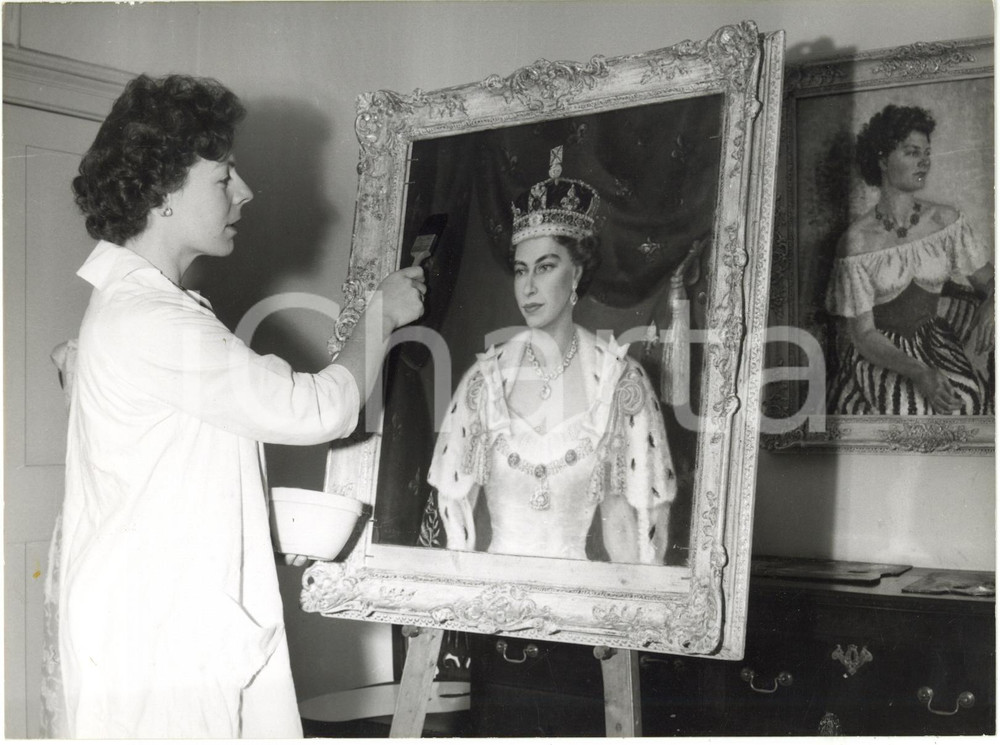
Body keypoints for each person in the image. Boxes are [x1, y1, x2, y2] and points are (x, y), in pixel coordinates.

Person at [41, 74, 425, 738]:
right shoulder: (152, 317)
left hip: (151, 623)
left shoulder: (138, 306)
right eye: (223, 177)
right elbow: (317, 410)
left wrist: (261, 533)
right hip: (159, 643)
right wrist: (380, 316)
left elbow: (175, 471)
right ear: (163, 193)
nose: (243, 191)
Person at [426, 151, 676, 564]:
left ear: (576, 273)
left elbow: (626, 533)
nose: (528, 287)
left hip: (578, 606)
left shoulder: (619, 381)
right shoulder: (484, 380)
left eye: (544, 267)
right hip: (489, 607)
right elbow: (456, 529)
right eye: (521, 270)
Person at [825, 104, 994, 415]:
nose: (925, 162)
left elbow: (989, 280)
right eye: (912, 152)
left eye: (926, 153)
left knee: (964, 401)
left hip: (936, 344)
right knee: (911, 408)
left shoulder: (945, 222)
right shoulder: (858, 241)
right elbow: (863, 335)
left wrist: (993, 301)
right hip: (880, 353)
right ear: (882, 159)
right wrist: (919, 372)